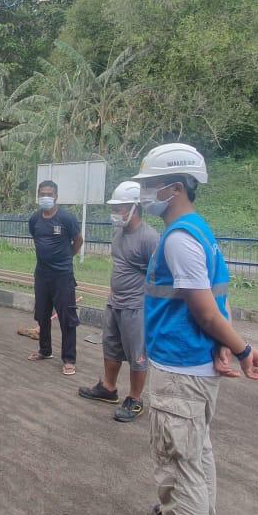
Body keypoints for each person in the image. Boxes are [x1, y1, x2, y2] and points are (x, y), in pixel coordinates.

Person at [122, 143, 258, 515]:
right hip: (196, 366)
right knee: (197, 454)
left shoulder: (179, 238)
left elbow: (205, 309)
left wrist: (241, 347)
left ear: (177, 187)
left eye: (151, 186)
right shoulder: (199, 232)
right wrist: (226, 344)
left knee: (179, 464)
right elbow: (217, 300)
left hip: (181, 370)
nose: (146, 193)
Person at [77, 181, 160, 422]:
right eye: (115, 208)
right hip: (115, 303)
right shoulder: (119, 234)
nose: (116, 213)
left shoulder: (150, 238)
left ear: (135, 208)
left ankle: (135, 398)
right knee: (110, 346)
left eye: (121, 208)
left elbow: (158, 277)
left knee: (137, 354)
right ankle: (109, 388)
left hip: (136, 306)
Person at [27, 179, 83, 375]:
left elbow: (78, 240)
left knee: (67, 318)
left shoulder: (67, 218)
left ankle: (69, 359)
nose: (45, 197)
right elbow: (37, 239)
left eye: (49, 194)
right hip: (42, 275)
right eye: (42, 193)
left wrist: (67, 258)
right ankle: (44, 350)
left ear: (56, 196)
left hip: (63, 277)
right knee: (42, 315)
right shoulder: (34, 219)